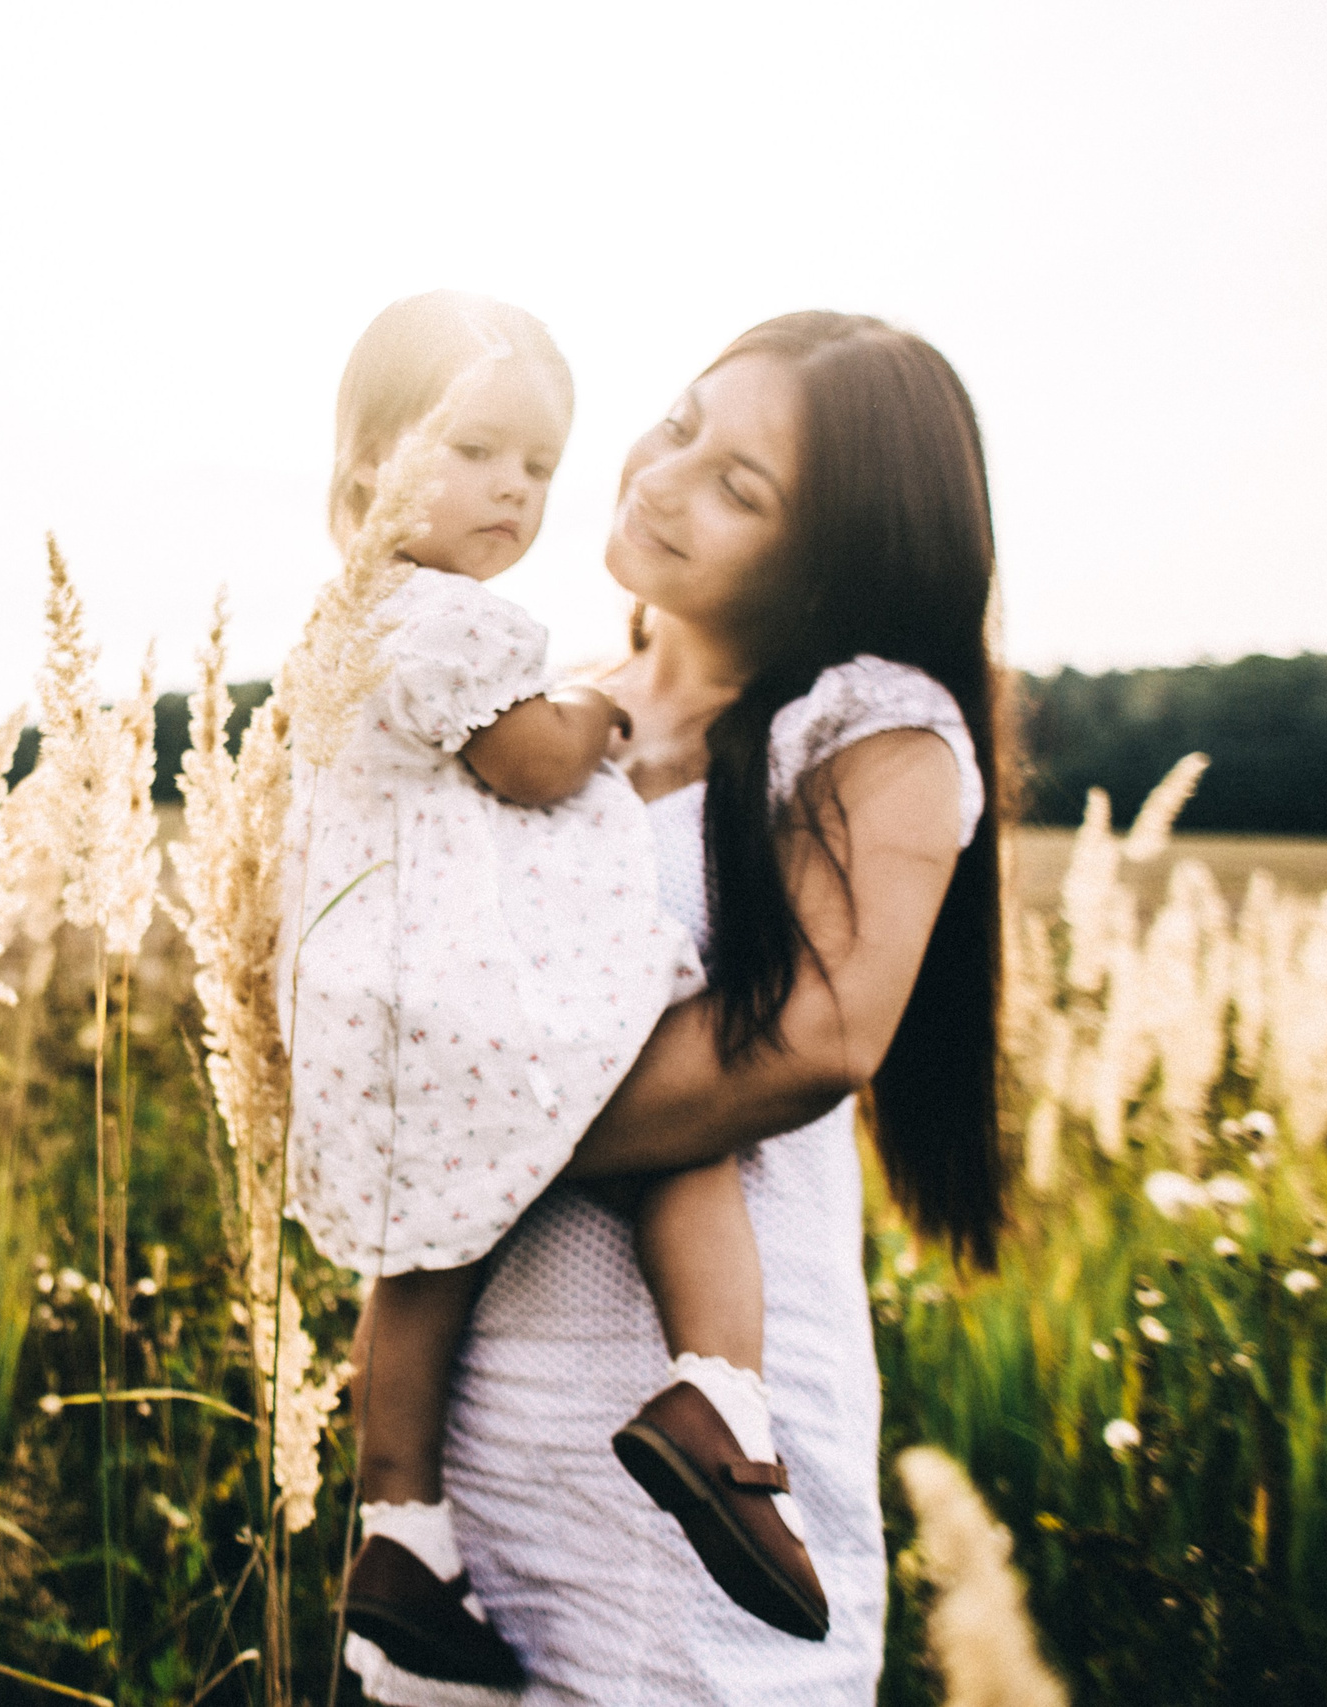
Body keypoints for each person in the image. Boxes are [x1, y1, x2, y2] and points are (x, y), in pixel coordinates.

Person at [352, 311, 1009, 1706]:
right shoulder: (533, 709)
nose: (663, 475)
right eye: (681, 424)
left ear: (838, 552)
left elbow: (812, 1040)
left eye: (740, 486)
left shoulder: (868, 726)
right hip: (489, 1415)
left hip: (699, 1445)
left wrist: (456, 1138)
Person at [278, 292, 832, 1693]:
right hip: (472, 983)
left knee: (426, 1256)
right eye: (476, 450)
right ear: (366, 476)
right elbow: (521, 762)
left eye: (537, 462)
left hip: (376, 996)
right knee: (680, 1112)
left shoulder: (336, 630)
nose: (516, 489)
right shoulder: (449, 627)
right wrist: (595, 719)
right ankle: (720, 1391)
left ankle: (401, 1528)